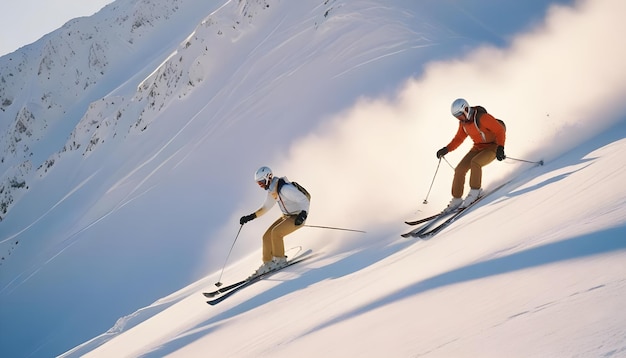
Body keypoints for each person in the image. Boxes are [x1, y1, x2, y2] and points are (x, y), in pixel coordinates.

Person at [436, 98, 506, 213]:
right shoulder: (463, 123)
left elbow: (499, 130)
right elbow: (459, 138)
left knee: (475, 162)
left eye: (460, 115)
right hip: (478, 147)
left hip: (493, 146)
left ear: (466, 109)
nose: (459, 118)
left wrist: (500, 148)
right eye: (456, 117)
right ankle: (457, 199)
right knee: (459, 169)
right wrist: (446, 149)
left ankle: (475, 192)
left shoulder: (482, 118)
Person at [239, 166, 310, 278]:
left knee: (276, 233)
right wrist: (250, 217)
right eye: (259, 183)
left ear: (268, 177)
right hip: (286, 216)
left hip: (297, 216)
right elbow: (265, 208)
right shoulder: (273, 190)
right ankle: (268, 263)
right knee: (266, 236)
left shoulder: (285, 188)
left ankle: (280, 260)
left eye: (261, 182)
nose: (261, 185)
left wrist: (303, 214)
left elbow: (303, 199)